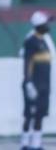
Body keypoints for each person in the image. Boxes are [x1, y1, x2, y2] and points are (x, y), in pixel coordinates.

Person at [20, 11, 52, 150]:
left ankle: (36, 143)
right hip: (34, 85)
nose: (48, 25)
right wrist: (28, 83)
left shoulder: (44, 40)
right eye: (45, 23)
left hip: (45, 85)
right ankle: (25, 143)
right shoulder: (31, 41)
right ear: (39, 25)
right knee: (30, 115)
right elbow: (27, 62)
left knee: (40, 114)